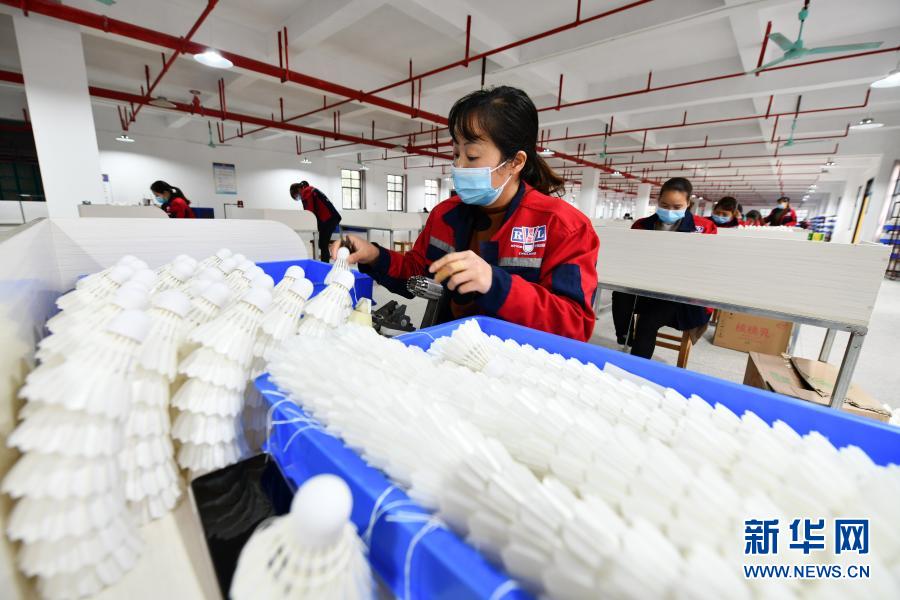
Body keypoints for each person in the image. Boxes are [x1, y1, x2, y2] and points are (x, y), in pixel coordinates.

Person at [332, 86, 600, 342]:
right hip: (447, 347)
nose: (459, 166)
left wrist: (496, 284)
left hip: (515, 360)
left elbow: (575, 324)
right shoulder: (445, 214)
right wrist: (374, 255)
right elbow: (418, 274)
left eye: (471, 156)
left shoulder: (562, 225)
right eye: (456, 153)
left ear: (516, 162)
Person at [612, 177, 716, 359]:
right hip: (647, 287)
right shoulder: (641, 225)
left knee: (647, 321)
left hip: (682, 297)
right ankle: (625, 336)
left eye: (677, 207)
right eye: (664, 205)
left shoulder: (704, 228)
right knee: (620, 295)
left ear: (688, 204)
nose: (669, 211)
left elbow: (707, 266)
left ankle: (635, 368)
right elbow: (630, 258)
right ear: (658, 201)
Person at [291, 181, 341, 261]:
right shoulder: (310, 190)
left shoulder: (306, 192)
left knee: (323, 244)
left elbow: (309, 211)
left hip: (329, 219)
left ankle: (325, 264)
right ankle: (325, 262)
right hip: (330, 218)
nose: (298, 198)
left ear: (298, 189)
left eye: (296, 196)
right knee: (322, 244)